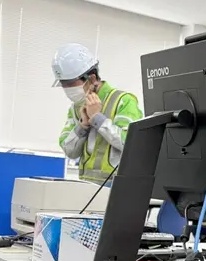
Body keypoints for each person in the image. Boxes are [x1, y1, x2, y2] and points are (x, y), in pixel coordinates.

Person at [54, 43, 143, 185]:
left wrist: (97, 118)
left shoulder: (123, 100)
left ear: (92, 78)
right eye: (63, 84)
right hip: (85, 186)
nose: (67, 89)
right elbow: (69, 151)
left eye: (70, 84)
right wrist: (82, 127)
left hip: (116, 188)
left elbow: (131, 144)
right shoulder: (76, 108)